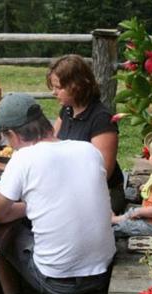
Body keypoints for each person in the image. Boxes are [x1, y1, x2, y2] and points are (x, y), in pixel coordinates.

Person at [0, 93, 116, 294]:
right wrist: (37, 204)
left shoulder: (23, 158)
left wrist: (28, 206)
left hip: (57, 282)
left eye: (5, 137)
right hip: (101, 272)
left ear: (13, 134)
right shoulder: (89, 150)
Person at [46, 54, 126, 215]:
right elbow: (51, 145)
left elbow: (102, 174)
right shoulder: (67, 110)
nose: (54, 93)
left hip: (102, 194)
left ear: (77, 86)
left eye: (58, 87)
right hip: (69, 187)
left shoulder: (101, 119)